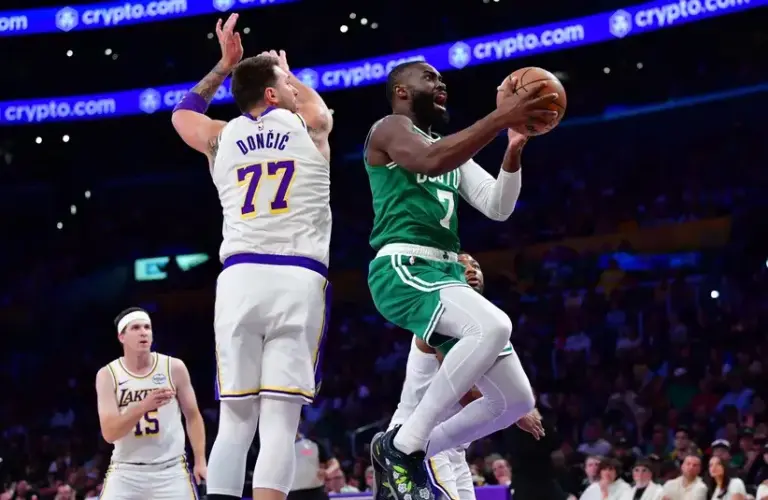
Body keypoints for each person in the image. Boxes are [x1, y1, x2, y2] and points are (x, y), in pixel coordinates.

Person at [365, 60, 558, 500]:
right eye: (428, 78)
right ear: (400, 91)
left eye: (441, 78)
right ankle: (404, 445)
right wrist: (501, 116)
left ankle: (405, 451)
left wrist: (512, 149)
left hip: (446, 270)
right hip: (403, 265)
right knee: (493, 326)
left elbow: (498, 206)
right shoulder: (390, 128)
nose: (440, 83)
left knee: (515, 400)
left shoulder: (450, 151)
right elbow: (430, 161)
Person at [170, 14, 334, 500]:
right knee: (281, 421)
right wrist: (289, 77)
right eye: (283, 81)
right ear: (272, 94)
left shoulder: (221, 137)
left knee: (237, 419)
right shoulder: (311, 128)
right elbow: (319, 112)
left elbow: (181, 114)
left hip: (240, 278)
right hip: (297, 277)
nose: (291, 82)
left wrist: (224, 66)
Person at [374, 254, 540, 500]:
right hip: (419, 438)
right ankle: (392, 448)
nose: (472, 270)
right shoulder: (439, 316)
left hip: (452, 447)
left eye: (477, 266)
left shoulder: (483, 322)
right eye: (463, 265)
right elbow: (465, 393)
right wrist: (512, 410)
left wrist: (513, 405)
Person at [94, 307, 207, 500]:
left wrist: (200, 459)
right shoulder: (107, 375)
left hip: (171, 471)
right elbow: (109, 433)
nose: (144, 332)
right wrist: (142, 406)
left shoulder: (174, 367)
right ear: (122, 337)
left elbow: (193, 416)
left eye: (147, 327)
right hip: (126, 472)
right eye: (136, 327)